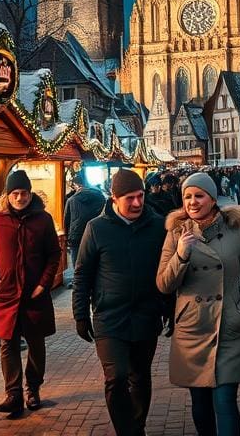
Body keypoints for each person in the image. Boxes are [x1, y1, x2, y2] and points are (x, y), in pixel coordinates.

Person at [156, 172, 240, 436]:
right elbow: (164, 284)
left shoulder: (235, 229)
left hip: (228, 326)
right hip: (193, 328)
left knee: (225, 401)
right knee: (200, 403)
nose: (193, 202)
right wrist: (181, 255)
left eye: (199, 196)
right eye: (187, 197)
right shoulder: (176, 232)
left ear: (213, 199)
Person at [73, 169, 167, 436]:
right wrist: (80, 314)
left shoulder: (158, 225)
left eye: (140, 196)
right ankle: (128, 431)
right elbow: (82, 273)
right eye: (130, 198)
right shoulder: (96, 228)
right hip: (109, 317)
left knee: (140, 376)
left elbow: (167, 270)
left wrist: (168, 307)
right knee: (116, 377)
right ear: (114, 198)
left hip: (146, 315)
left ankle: (138, 425)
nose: (137, 203)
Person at [0, 169, 62, 418]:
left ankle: (33, 389)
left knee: (36, 344)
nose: (19, 198)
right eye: (14, 193)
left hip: (34, 295)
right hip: (6, 294)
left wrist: (43, 284)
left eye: (23, 193)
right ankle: (13, 394)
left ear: (30, 193)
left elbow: (54, 254)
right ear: (7, 195)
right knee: (8, 344)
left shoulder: (43, 219)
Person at [63, 171, 106, 281]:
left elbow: (66, 220)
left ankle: (79, 283)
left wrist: (67, 238)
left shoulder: (71, 200)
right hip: (96, 234)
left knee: (78, 265)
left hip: (76, 236)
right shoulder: (100, 197)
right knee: (95, 262)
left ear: (76, 185)